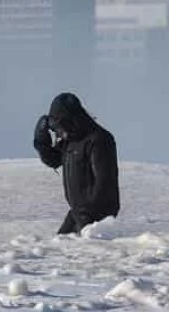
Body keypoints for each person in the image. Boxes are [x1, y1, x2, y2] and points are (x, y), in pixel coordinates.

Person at [32, 92, 120, 235]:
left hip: (97, 214)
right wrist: (41, 142)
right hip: (78, 212)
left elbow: (105, 180)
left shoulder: (99, 139)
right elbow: (53, 160)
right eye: (55, 129)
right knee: (58, 248)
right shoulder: (71, 142)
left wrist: (88, 214)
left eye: (59, 126)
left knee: (81, 254)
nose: (59, 133)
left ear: (70, 121)